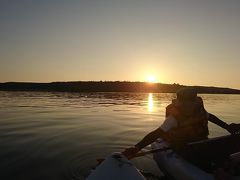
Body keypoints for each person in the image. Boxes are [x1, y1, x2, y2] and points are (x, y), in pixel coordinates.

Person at [122, 87, 240, 160]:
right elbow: (156, 134)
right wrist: (137, 147)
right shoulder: (173, 119)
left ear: (194, 102)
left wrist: (227, 126)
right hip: (182, 146)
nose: (185, 106)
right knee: (205, 157)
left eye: (189, 102)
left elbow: (211, 117)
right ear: (180, 103)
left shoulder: (199, 110)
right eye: (182, 103)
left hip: (200, 142)